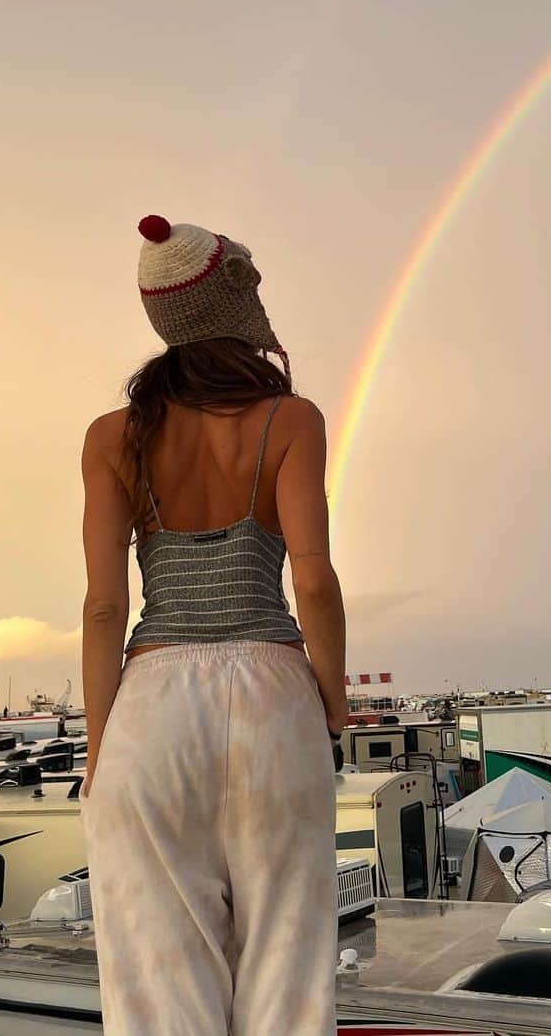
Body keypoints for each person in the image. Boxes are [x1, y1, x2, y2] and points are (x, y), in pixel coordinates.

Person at [79, 216, 348, 1036]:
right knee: (289, 976)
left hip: (152, 704)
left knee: (156, 989)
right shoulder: (291, 420)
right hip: (272, 693)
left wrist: (98, 747)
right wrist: (330, 705)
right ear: (230, 305)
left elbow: (102, 606)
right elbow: (312, 578)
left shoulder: (111, 438)